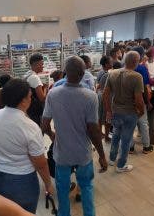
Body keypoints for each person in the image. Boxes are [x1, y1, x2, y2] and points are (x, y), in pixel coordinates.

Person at [42, 56, 107, 216]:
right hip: (83, 153)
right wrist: (102, 155)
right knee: (86, 187)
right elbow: (93, 130)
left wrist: (52, 135)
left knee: (62, 190)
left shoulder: (53, 94)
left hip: (62, 153)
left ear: (65, 72)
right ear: (82, 73)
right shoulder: (90, 97)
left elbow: (44, 123)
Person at [0, 79, 53, 213]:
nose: (31, 99)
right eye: (29, 96)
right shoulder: (30, 127)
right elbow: (40, 163)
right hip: (20, 182)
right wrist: (48, 184)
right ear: (22, 100)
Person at [103, 51, 145, 172]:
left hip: (116, 110)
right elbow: (138, 99)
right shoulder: (137, 76)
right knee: (126, 139)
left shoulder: (112, 73)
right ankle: (121, 165)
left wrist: (108, 110)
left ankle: (111, 159)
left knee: (116, 134)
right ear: (135, 62)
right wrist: (141, 111)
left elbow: (106, 93)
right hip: (130, 112)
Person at [23, 53, 47, 126]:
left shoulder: (27, 74)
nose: (43, 66)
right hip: (35, 111)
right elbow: (42, 98)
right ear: (36, 64)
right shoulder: (35, 78)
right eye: (42, 64)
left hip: (28, 109)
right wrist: (46, 88)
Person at [96, 56, 113, 142]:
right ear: (106, 64)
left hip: (100, 95)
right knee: (107, 116)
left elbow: (97, 86)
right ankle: (105, 136)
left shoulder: (100, 72)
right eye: (110, 62)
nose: (112, 63)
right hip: (105, 96)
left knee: (100, 116)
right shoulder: (107, 74)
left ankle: (100, 134)